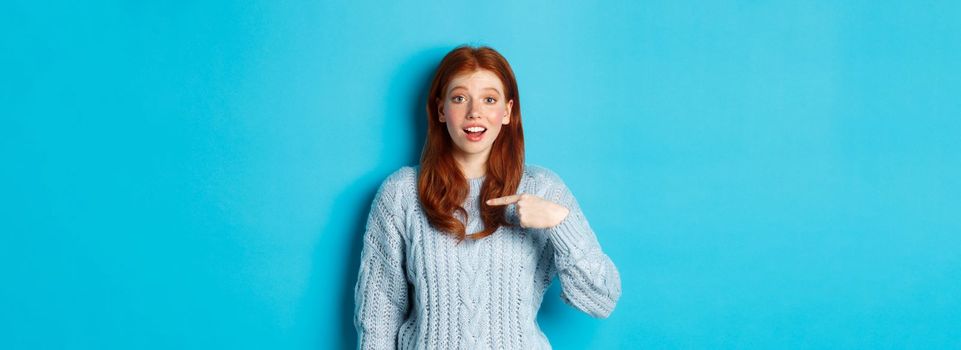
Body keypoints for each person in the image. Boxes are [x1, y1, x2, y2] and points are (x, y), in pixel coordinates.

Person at [353, 45, 621, 349]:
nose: (474, 112)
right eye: (459, 98)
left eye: (489, 99)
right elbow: (378, 318)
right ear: (441, 109)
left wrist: (560, 224)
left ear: (507, 111)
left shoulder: (543, 189)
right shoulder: (401, 194)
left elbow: (602, 300)